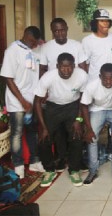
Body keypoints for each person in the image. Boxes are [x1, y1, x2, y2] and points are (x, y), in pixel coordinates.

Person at [40, 17, 88, 173]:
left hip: (72, 99)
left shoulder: (77, 46)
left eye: (62, 29)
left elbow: (82, 68)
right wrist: (44, 91)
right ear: (52, 31)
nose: (59, 33)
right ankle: (60, 159)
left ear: (67, 29)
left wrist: (80, 86)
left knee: (75, 132)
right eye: (56, 30)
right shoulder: (46, 47)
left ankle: (76, 163)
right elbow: (42, 69)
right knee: (55, 133)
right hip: (53, 98)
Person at [34, 53, 88, 187]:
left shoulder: (81, 75)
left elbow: (84, 99)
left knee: (77, 136)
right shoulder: (48, 77)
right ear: (57, 66)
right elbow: (37, 102)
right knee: (43, 138)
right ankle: (49, 170)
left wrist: (78, 119)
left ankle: (74, 169)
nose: (66, 71)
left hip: (73, 106)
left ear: (74, 66)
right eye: (63, 67)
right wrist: (43, 127)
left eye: (69, 67)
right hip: (53, 108)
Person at [0, 26, 45, 179]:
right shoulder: (12, 51)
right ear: (25, 35)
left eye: (36, 42)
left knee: (32, 131)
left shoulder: (35, 49)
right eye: (32, 41)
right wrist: (22, 101)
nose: (34, 44)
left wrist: (34, 99)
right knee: (17, 134)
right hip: (17, 101)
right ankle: (18, 165)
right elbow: (8, 78)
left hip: (32, 100)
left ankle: (34, 161)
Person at [80, 63, 112, 185]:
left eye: (111, 78)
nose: (109, 81)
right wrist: (88, 129)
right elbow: (84, 106)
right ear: (100, 76)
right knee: (92, 138)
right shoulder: (92, 86)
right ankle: (93, 171)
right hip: (97, 109)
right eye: (105, 78)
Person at [82, 9, 112, 82]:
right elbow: (85, 65)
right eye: (102, 21)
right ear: (95, 23)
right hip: (94, 81)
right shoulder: (87, 41)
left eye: (107, 21)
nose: (105, 23)